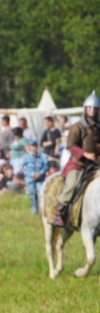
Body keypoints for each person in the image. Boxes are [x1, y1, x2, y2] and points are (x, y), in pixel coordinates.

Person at [54, 91, 100, 226]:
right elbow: (71, 146)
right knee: (72, 185)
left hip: (96, 164)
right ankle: (59, 213)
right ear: (85, 109)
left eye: (95, 108)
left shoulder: (99, 128)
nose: (92, 111)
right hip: (78, 164)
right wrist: (85, 154)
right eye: (89, 108)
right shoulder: (77, 127)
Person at [21, 141, 49, 215]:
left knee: (41, 194)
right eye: (32, 145)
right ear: (30, 147)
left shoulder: (42, 156)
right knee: (33, 196)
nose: (34, 147)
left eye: (35, 145)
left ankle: (42, 211)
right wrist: (33, 175)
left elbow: (46, 166)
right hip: (30, 179)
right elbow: (25, 168)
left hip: (40, 179)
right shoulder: (26, 157)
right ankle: (34, 212)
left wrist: (40, 173)